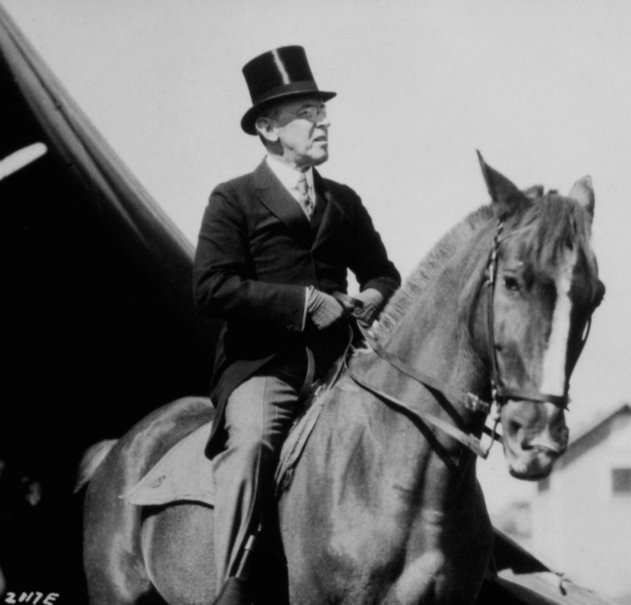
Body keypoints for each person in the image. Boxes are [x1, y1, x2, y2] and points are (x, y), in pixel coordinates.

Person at [193, 45, 401, 603]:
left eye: (322, 110)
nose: (323, 120)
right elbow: (211, 287)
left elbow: (383, 271)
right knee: (255, 444)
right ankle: (232, 582)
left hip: (342, 365)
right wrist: (304, 303)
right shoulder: (233, 198)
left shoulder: (344, 201)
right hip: (265, 365)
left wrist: (372, 297)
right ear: (267, 127)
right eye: (307, 112)